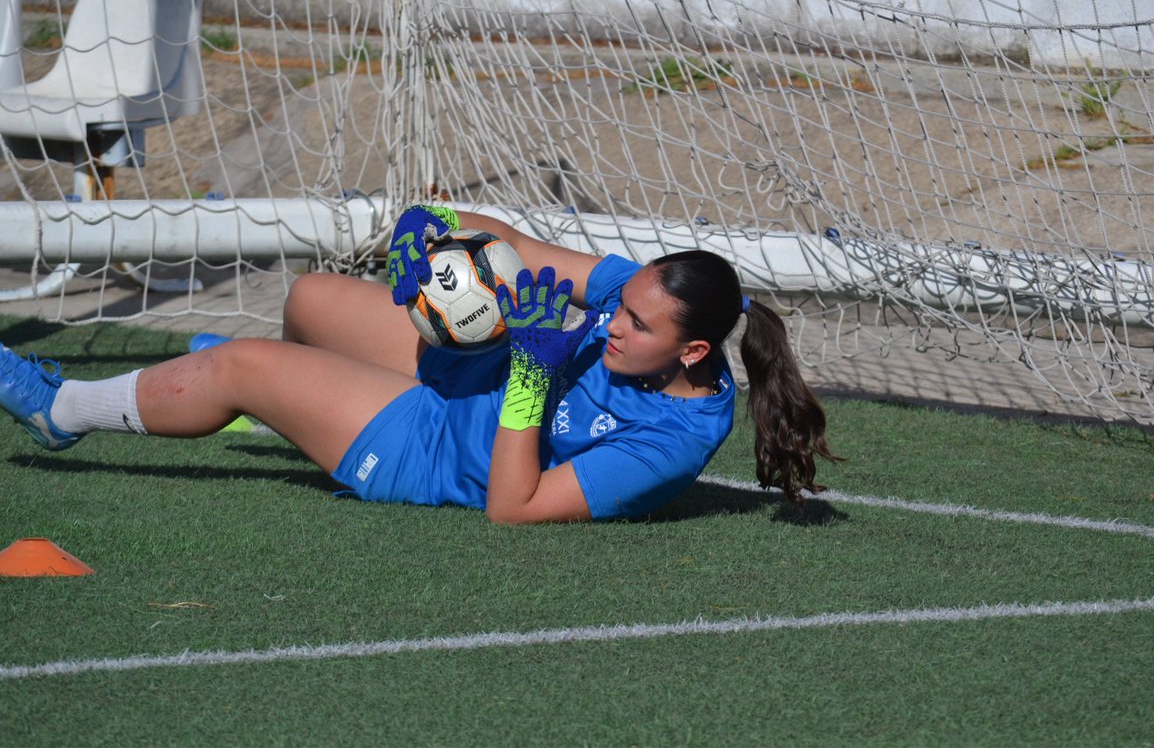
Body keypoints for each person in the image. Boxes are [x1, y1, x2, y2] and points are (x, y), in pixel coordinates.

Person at [0, 205, 838, 523]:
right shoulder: (644, 294)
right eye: (618, 305)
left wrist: (532, 372)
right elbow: (511, 243)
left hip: (435, 448)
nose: (612, 320)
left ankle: (59, 410)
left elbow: (513, 506)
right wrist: (428, 225)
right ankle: (287, 411)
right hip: (469, 373)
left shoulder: (673, 441)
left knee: (241, 366)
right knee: (310, 299)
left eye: (634, 323)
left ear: (692, 352)